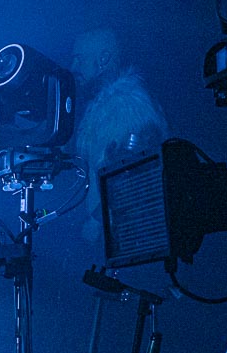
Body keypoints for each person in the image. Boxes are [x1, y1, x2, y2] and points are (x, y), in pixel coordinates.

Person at [69, 27, 169, 243]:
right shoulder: (105, 108)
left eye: (79, 59)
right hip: (121, 235)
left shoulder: (127, 107)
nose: (73, 67)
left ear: (103, 59)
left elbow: (134, 177)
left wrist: (97, 223)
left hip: (133, 237)